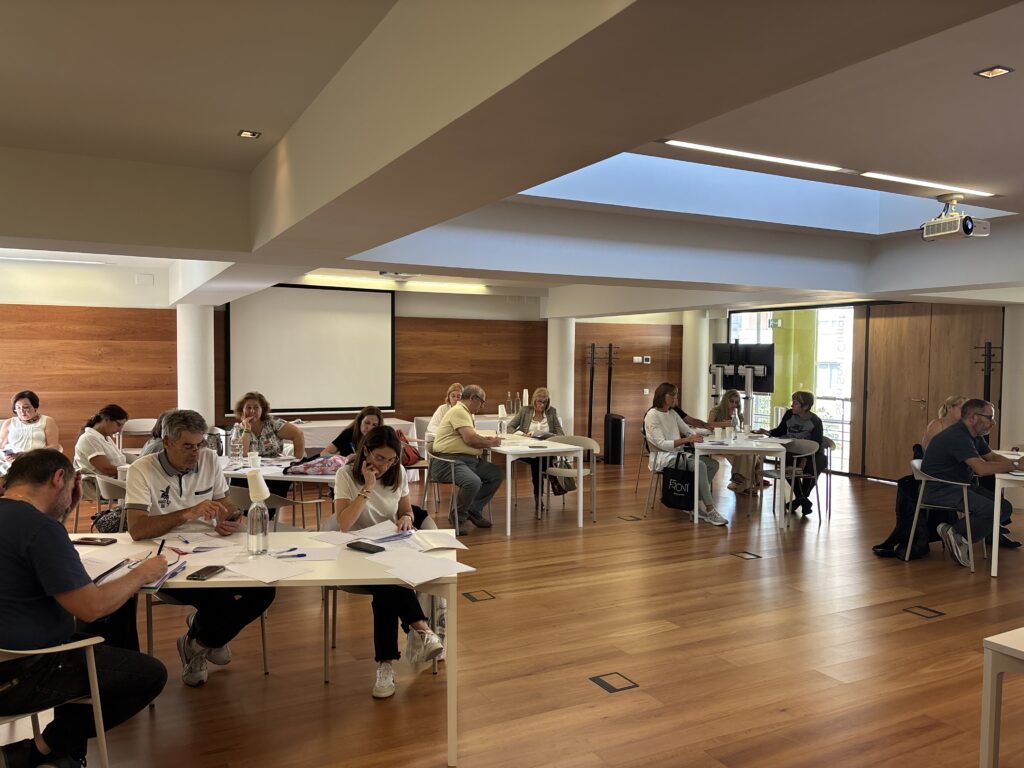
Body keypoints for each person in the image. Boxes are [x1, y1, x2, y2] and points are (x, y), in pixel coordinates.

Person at [0, 449, 167, 767]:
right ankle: (38, 750)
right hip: (22, 674)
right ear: (59, 478)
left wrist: (62, 512)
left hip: (10, 655)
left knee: (96, 638)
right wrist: (143, 573)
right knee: (149, 675)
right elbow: (92, 607)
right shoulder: (40, 529)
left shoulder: (22, 521)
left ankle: (65, 755)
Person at [124, 409, 275, 687]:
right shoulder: (142, 470)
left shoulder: (208, 458)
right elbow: (138, 529)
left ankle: (197, 642)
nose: (196, 452)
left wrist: (231, 517)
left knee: (265, 590)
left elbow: (225, 502)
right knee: (221, 603)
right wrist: (186, 514)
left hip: (213, 548)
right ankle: (204, 638)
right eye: (187, 446)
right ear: (167, 442)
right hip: (167, 558)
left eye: (200, 444)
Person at [326, 426, 444, 698]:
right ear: (366, 451)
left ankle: (386, 665)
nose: (385, 465)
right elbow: (344, 524)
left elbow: (405, 509)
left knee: (386, 587)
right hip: (354, 551)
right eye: (380, 458)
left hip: (390, 548)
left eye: (391, 460)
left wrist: (407, 518)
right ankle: (422, 630)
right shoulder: (345, 474)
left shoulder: (397, 472)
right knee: (388, 582)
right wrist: (367, 488)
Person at [921, 398, 1019, 567]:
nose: (993, 422)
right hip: (939, 489)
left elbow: (992, 457)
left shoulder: (973, 435)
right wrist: (1015, 465)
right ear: (973, 417)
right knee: (992, 509)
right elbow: (982, 468)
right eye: (989, 417)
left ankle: (959, 536)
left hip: (958, 485)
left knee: (1004, 508)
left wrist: (1016, 465)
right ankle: (957, 534)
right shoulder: (957, 436)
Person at [643, 383, 725, 526]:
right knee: (700, 465)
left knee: (713, 464)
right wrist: (687, 440)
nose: (676, 398)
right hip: (662, 458)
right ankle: (710, 510)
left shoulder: (672, 413)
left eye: (676, 395)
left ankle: (691, 502)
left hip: (678, 455)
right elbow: (662, 444)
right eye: (672, 395)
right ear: (662, 396)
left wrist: (699, 435)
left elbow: (687, 430)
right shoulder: (652, 415)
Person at [430, 384, 503, 535]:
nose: (482, 406)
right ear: (473, 398)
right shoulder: (459, 411)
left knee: (496, 474)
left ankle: (473, 510)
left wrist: (484, 440)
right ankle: (459, 516)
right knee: (473, 482)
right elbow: (470, 439)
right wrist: (492, 443)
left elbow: (469, 436)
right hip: (448, 461)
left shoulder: (465, 412)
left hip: (467, 460)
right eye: (482, 402)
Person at [755, 390, 827, 515]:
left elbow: (816, 444)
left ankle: (800, 499)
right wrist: (766, 432)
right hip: (792, 452)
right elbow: (780, 431)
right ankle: (803, 500)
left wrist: (804, 459)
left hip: (810, 454)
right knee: (788, 459)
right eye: (792, 401)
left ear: (805, 406)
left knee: (818, 462)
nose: (792, 405)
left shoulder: (815, 421)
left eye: (796, 403)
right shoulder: (789, 414)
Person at [229, 391, 305, 496]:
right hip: (250, 471)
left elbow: (298, 434)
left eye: (256, 408)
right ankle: (247, 506)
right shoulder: (238, 429)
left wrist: (296, 463)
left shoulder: (272, 423)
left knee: (277, 482)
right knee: (237, 480)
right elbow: (243, 454)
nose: (252, 411)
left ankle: (271, 506)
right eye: (248, 407)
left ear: (262, 410)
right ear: (242, 410)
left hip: (274, 471)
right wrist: (247, 429)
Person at [506, 386, 564, 507]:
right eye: (539, 401)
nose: (541, 405)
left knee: (539, 459)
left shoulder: (551, 412)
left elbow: (561, 433)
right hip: (526, 450)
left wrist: (550, 436)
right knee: (538, 460)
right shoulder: (525, 411)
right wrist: (522, 434)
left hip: (547, 449)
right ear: (534, 400)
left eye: (544, 402)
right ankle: (553, 479)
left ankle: (538, 497)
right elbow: (510, 427)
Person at [708, 389, 761, 494]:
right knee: (748, 455)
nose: (734, 404)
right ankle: (746, 485)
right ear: (725, 400)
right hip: (720, 442)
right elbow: (709, 424)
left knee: (749, 453)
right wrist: (724, 424)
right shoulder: (716, 411)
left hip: (734, 441)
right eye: (731, 401)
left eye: (736, 402)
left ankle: (740, 481)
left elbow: (740, 430)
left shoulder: (738, 414)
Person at [74, 404, 131, 478]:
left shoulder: (105, 437)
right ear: (106, 419)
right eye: (118, 425)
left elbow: (118, 462)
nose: (119, 430)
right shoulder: (89, 438)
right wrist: (134, 473)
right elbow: (107, 469)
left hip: (116, 479)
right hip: (100, 483)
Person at [0, 390, 60, 458]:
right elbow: (1, 445)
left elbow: (53, 446)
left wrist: (27, 455)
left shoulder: (47, 421)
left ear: (35, 407)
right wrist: (5, 456)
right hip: (12, 460)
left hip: (37, 459)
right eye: (18, 407)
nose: (22, 411)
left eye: (26, 407)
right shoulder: (9, 422)